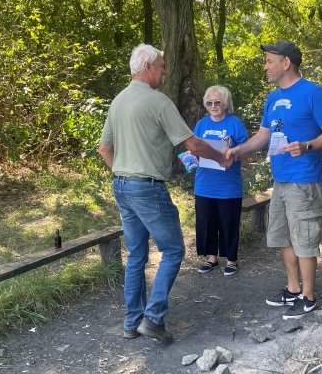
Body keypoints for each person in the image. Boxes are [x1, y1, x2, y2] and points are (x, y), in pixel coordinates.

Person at [98, 43, 232, 344]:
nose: (163, 72)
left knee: (136, 255)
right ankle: (153, 319)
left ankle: (131, 323)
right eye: (160, 67)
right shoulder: (158, 102)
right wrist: (221, 157)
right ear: (147, 67)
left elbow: (105, 149)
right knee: (172, 250)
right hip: (146, 187)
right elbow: (193, 144)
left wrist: (124, 172)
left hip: (121, 184)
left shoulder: (118, 102)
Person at [225, 40, 322, 319]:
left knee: (304, 239)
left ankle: (309, 297)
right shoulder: (273, 98)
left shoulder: (313, 93)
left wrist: (307, 146)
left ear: (285, 63)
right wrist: (238, 151)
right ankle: (292, 289)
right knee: (283, 237)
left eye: (268, 61)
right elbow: (264, 135)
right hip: (280, 180)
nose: (265, 66)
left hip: (304, 180)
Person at [193, 85, 249, 276]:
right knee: (206, 222)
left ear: (225, 103)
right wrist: (192, 157)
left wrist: (234, 156)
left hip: (228, 186)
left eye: (217, 102)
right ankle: (211, 258)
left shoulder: (235, 124)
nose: (213, 106)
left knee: (228, 222)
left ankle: (231, 260)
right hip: (204, 185)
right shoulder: (201, 124)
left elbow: (248, 151)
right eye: (209, 103)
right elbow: (194, 148)